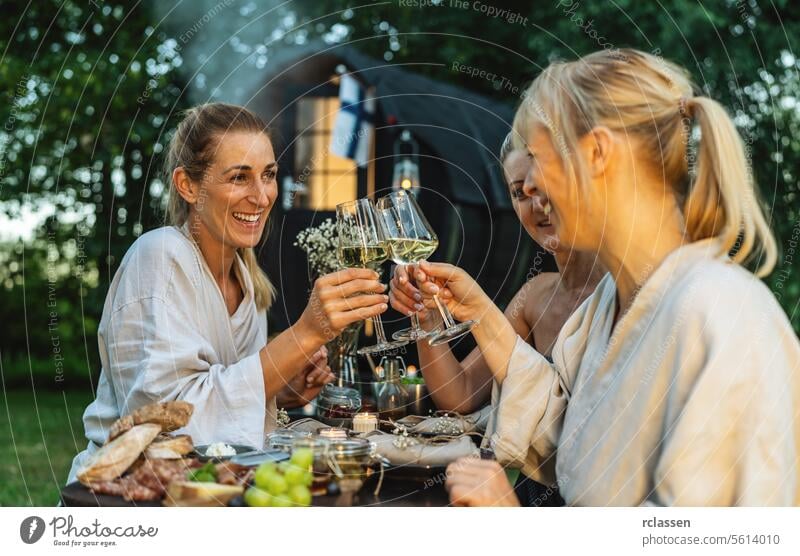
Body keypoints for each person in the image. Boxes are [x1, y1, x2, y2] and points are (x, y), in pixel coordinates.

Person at [412, 49, 800, 506]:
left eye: (539, 158)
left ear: (597, 153)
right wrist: (476, 309)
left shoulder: (721, 314)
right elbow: (570, 434)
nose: (529, 186)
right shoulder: (607, 307)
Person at [67, 103, 389, 483]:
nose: (262, 196)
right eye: (239, 178)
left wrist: (282, 392)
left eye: (268, 175)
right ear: (188, 185)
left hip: (213, 491)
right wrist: (307, 332)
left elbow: (228, 401)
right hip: (127, 493)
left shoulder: (248, 282)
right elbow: (167, 420)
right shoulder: (159, 257)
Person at [389, 134, 604, 505]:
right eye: (519, 193)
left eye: (546, 185)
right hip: (525, 492)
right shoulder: (534, 295)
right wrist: (426, 319)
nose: (536, 204)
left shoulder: (618, 295)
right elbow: (459, 393)